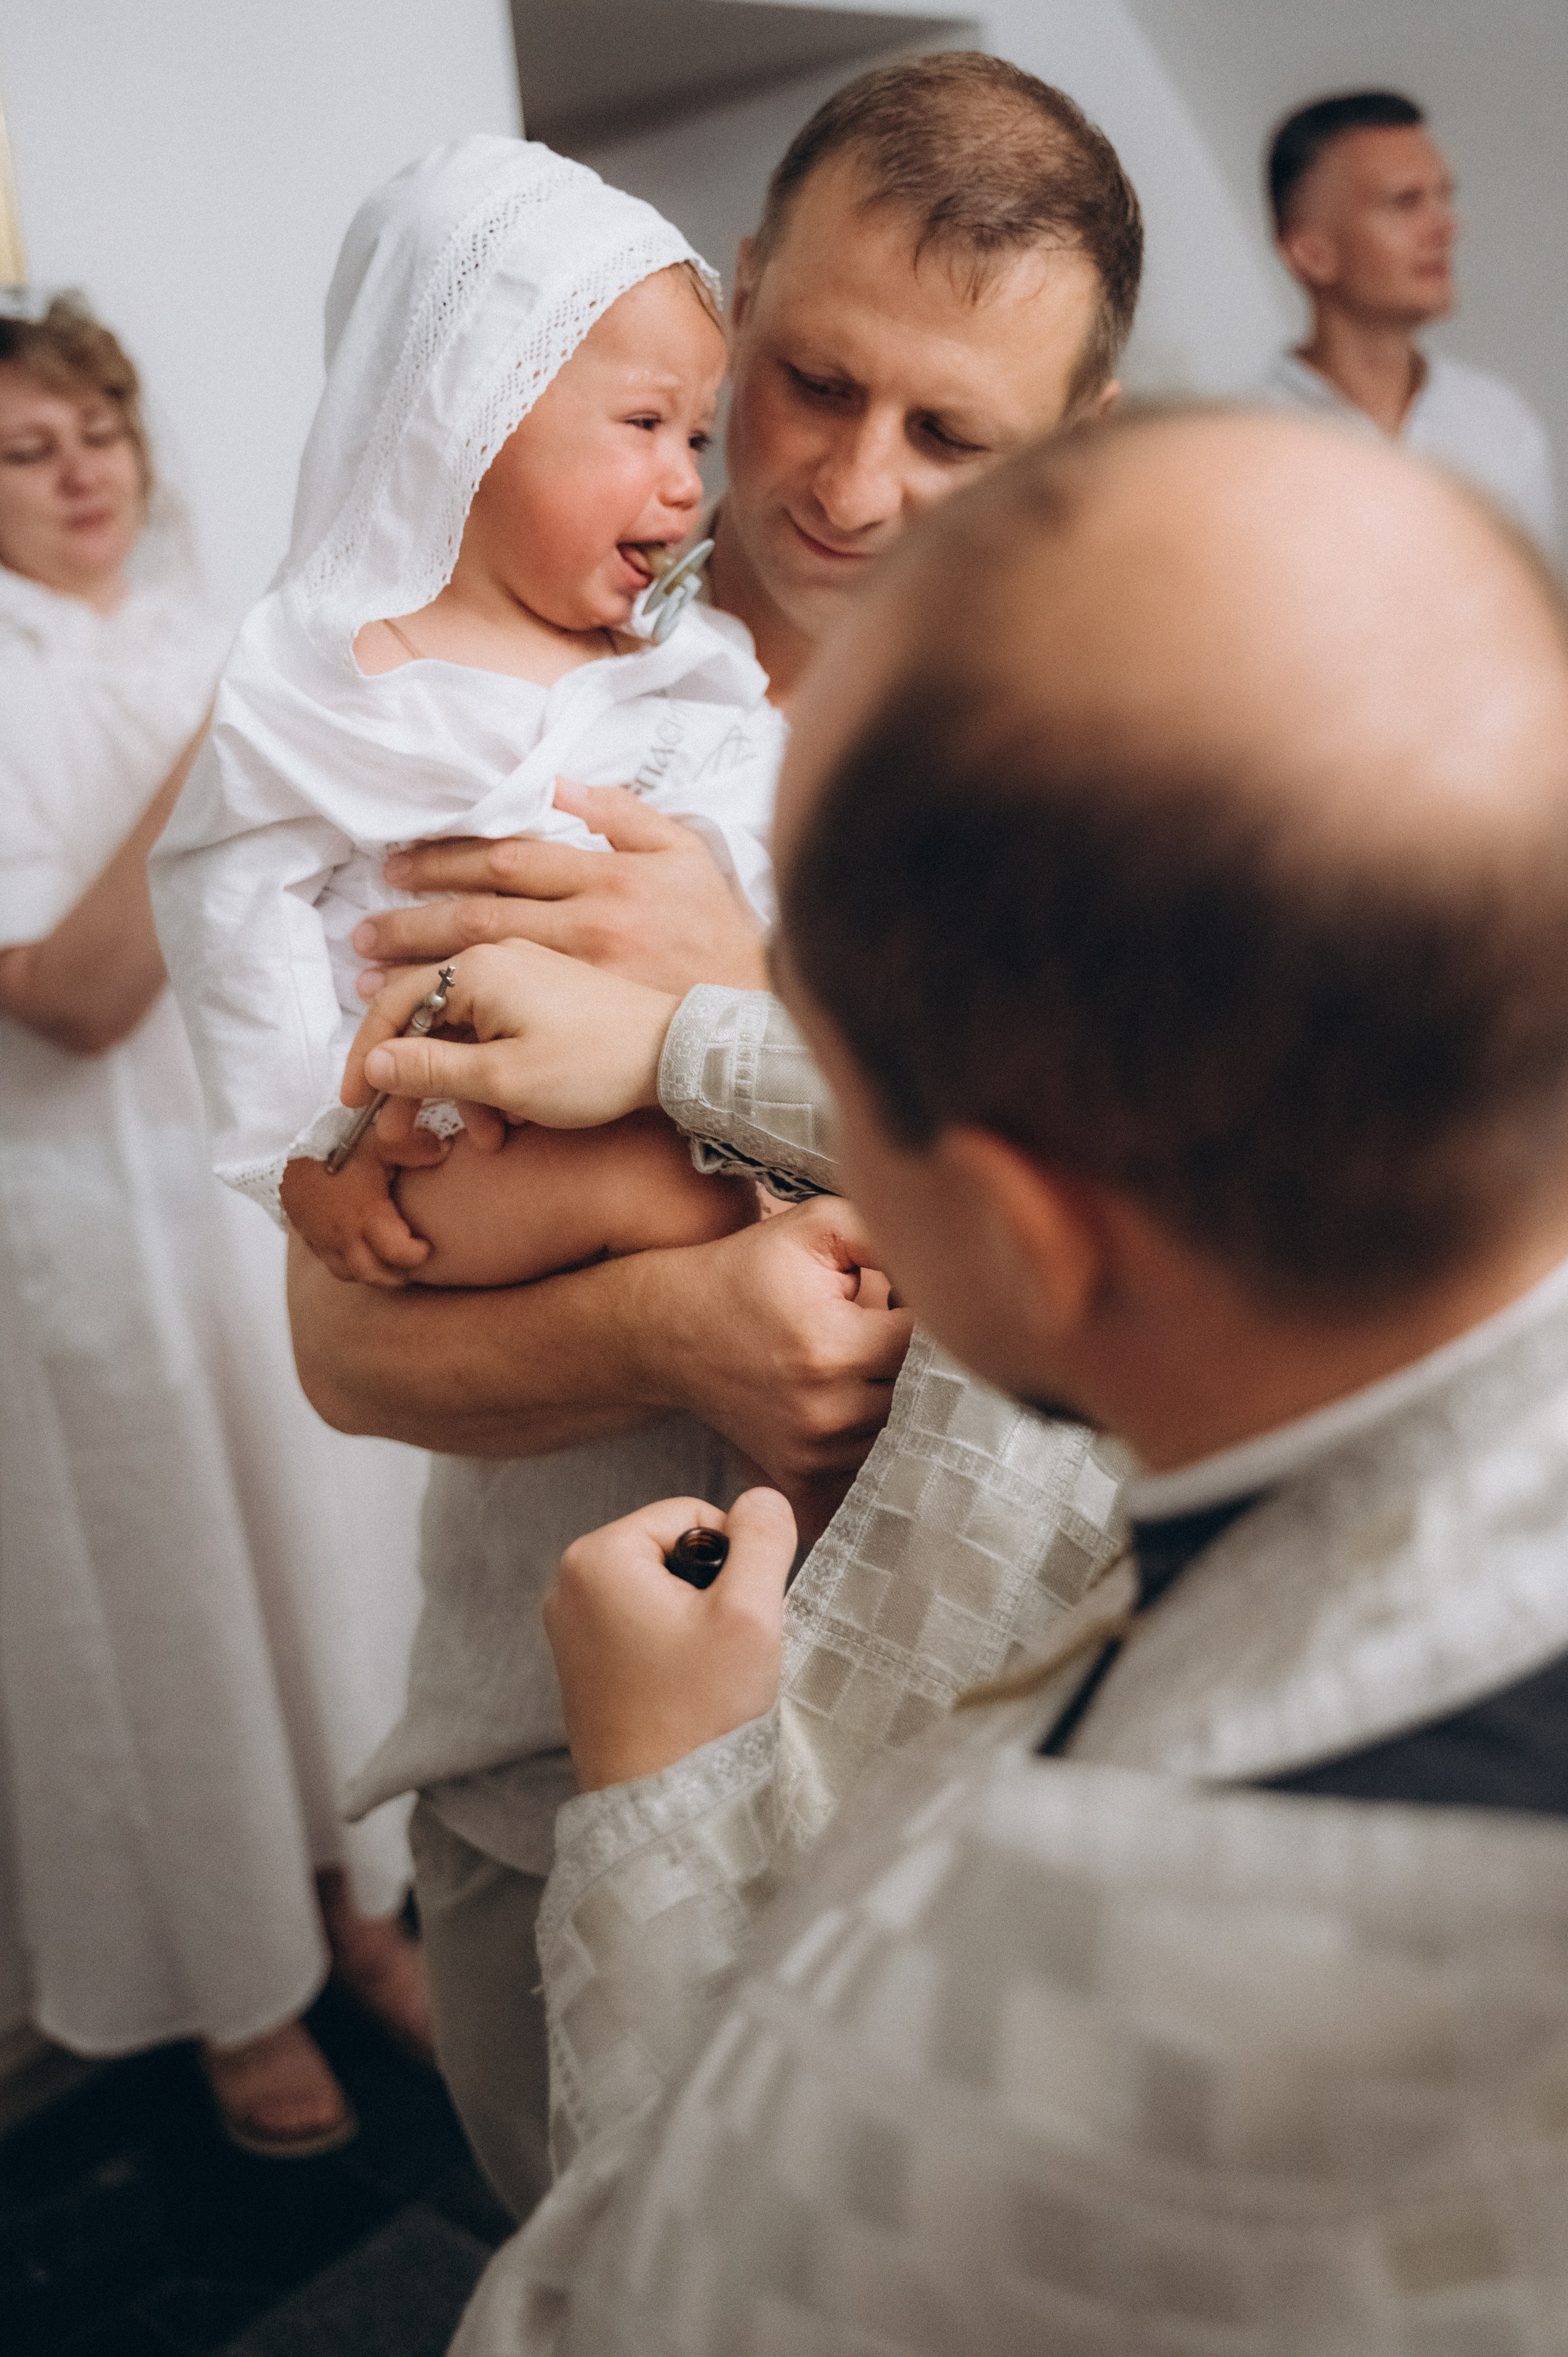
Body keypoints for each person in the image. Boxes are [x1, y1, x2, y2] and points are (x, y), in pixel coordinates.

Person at [370, 407, 1568, 2351]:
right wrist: (691, 1038)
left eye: (830, 1060)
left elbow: (628, 2310)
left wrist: (668, 1790)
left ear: (1009, 1241)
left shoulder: (1064, 1965)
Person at [284, 54, 1144, 2220]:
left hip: (978, 1789)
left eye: (954, 434)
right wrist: (679, 1321)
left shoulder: (1134, 768)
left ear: (1085, 442)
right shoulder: (501, 705)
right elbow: (348, 1340)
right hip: (531, 1770)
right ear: (736, 294)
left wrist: (723, 1014)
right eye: (813, 377)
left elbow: (1162, 1300)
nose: (851, 483)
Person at [0, 293, 433, 2157]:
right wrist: (243, 734)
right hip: (82, 1209)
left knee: (323, 1554)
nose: (80, 467)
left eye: (96, 424)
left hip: (260, 1174)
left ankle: (365, 1900)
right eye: (23, 446)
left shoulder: (197, 630)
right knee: (166, 1595)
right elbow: (75, 992)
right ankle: (236, 1977)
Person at [153, 140, 779, 1296]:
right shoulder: (332, 674)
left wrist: (722, 895)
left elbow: (761, 806)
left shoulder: (676, 655)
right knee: (687, 1194)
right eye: (644, 423)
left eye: (696, 434)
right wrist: (305, 1146)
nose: (690, 477)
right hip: (440, 1141)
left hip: (662, 1073)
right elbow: (233, 903)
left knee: (767, 1194)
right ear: (467, 417)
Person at [1259, 88, 1558, 556]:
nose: (1446, 227)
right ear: (1311, 253)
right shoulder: (1248, 448)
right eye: (1405, 202)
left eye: (1444, 197)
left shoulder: (1500, 426)